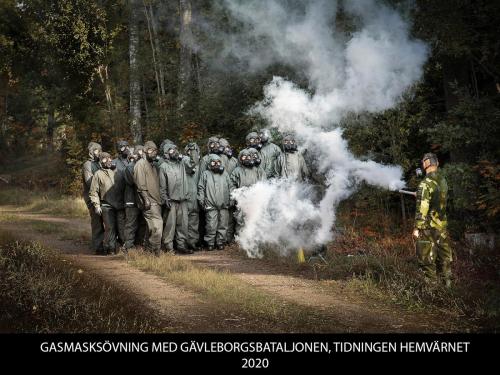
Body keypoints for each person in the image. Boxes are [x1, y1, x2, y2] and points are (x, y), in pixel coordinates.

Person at [413, 153, 453, 287]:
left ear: (426, 163)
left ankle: (431, 293)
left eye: (423, 162)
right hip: (442, 227)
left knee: (427, 260)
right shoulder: (443, 181)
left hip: (428, 228)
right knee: (445, 259)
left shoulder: (425, 183)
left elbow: (422, 208)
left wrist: (417, 227)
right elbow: (437, 199)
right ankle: (448, 290)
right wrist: (420, 195)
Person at [159, 142, 193, 253]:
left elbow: (193, 164)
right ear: (166, 153)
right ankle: (169, 247)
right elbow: (162, 186)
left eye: (175, 149)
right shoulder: (163, 166)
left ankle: (181, 246)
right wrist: (165, 199)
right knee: (170, 225)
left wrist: (192, 150)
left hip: (183, 199)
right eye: (171, 150)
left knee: (183, 225)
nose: (174, 151)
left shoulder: (182, 163)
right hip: (171, 200)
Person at [89, 152, 124, 255]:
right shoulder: (98, 174)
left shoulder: (118, 172)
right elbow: (93, 191)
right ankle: (111, 249)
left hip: (120, 204)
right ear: (100, 162)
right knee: (110, 228)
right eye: (104, 159)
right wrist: (96, 205)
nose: (108, 160)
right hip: (106, 205)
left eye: (109, 158)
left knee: (121, 227)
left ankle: (123, 248)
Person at [133, 141, 163, 255]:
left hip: (156, 202)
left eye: (156, 151)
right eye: (152, 150)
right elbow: (140, 185)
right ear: (146, 151)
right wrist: (146, 199)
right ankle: (154, 253)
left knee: (151, 227)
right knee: (157, 227)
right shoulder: (140, 164)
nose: (154, 153)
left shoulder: (153, 165)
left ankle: (147, 250)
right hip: (149, 202)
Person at [198, 154, 231, 250]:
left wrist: (231, 199)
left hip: (224, 204)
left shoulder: (225, 174)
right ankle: (210, 243)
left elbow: (230, 187)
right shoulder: (205, 174)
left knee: (223, 225)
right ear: (209, 164)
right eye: (213, 162)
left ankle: (220, 242)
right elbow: (201, 188)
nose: (216, 164)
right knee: (211, 225)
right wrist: (202, 201)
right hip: (210, 203)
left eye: (218, 162)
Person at [230, 149, 266, 233]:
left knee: (255, 217)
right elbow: (232, 185)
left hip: (255, 198)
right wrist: (236, 195)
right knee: (241, 218)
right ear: (240, 158)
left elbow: (264, 183)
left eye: (248, 156)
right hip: (242, 199)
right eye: (244, 157)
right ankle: (241, 238)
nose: (246, 158)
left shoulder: (258, 170)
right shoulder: (237, 171)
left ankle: (255, 236)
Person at [82, 141, 105, 254]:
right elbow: (89, 182)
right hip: (92, 198)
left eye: (100, 150)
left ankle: (105, 245)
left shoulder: (100, 163)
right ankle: (97, 247)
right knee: (97, 223)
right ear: (91, 152)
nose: (98, 152)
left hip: (103, 196)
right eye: (96, 150)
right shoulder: (87, 164)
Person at [123, 145, 147, 250]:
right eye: (139, 153)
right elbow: (134, 182)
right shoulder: (129, 167)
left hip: (141, 200)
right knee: (131, 224)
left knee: (142, 223)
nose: (141, 155)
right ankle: (128, 246)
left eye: (142, 153)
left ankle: (139, 244)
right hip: (131, 200)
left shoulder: (145, 166)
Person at [184, 142, 201, 250]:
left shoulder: (200, 164)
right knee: (185, 222)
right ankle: (184, 243)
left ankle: (192, 242)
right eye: (190, 151)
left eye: (194, 151)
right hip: (186, 196)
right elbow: (191, 165)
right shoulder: (184, 161)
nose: (192, 153)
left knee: (194, 221)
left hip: (196, 197)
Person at [112, 140, 130, 245]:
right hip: (119, 195)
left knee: (131, 220)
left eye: (127, 146)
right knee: (121, 219)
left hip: (131, 196)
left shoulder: (132, 160)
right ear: (119, 149)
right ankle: (123, 242)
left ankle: (130, 242)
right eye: (123, 147)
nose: (126, 149)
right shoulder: (114, 163)